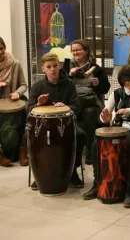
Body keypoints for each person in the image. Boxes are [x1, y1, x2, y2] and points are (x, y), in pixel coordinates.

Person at [82, 65, 130, 208]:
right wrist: (105, 118)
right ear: (127, 84)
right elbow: (105, 115)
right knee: (96, 146)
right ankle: (98, 184)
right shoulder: (117, 94)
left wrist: (128, 110)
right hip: (119, 128)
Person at [25, 53, 85, 189]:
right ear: (43, 69)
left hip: (66, 125)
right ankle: (40, 173)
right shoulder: (37, 86)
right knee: (27, 137)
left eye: (55, 66)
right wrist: (38, 104)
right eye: (49, 66)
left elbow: (77, 107)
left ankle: (72, 171)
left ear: (59, 66)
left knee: (80, 135)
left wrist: (66, 106)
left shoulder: (69, 84)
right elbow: (28, 109)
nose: (53, 69)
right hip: (41, 127)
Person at [68, 39, 110, 164]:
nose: (76, 52)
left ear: (86, 51)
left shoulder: (96, 68)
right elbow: (61, 87)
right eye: (73, 50)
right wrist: (70, 75)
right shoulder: (67, 66)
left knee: (89, 113)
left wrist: (98, 84)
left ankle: (90, 150)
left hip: (91, 102)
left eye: (79, 50)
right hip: (73, 102)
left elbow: (105, 89)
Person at [0, 37, 28, 167]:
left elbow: (23, 85)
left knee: (26, 116)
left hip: (14, 102)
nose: (0, 52)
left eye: (1, 48)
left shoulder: (14, 63)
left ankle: (23, 152)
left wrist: (17, 92)